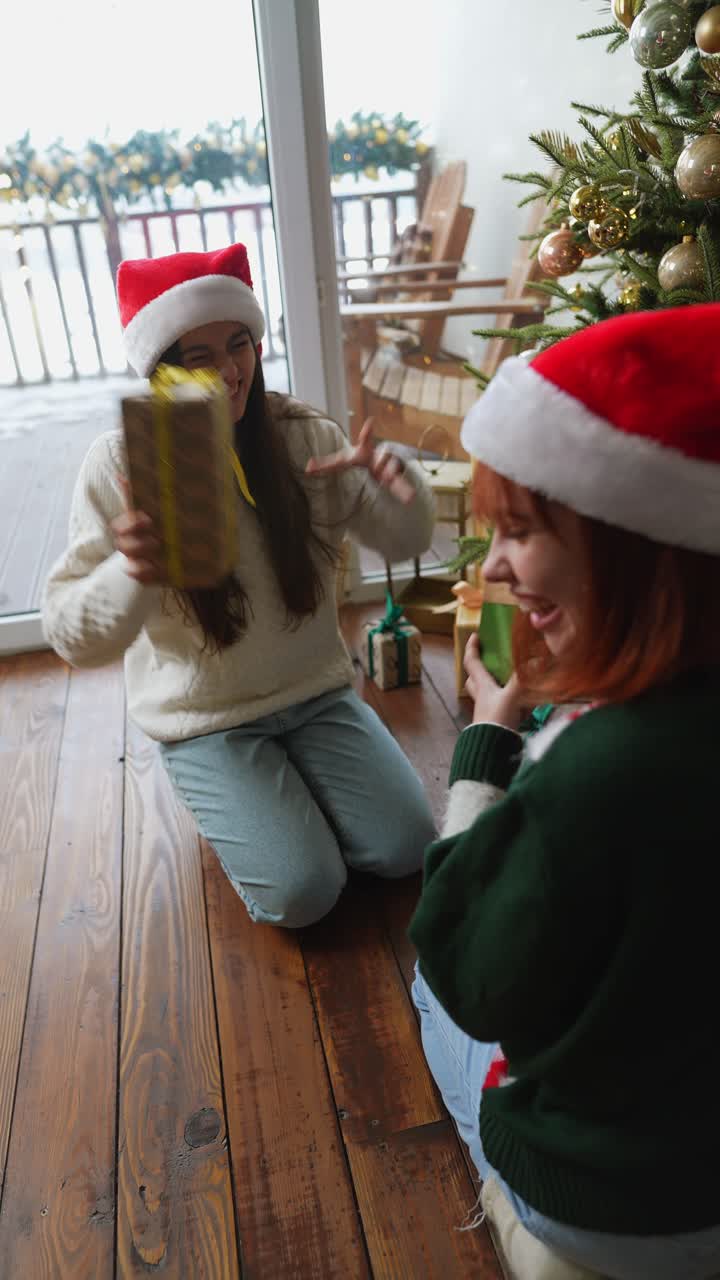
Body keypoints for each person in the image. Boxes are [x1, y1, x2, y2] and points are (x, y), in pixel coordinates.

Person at [408, 302, 720, 1280]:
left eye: (517, 532)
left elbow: (470, 965)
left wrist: (491, 740)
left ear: (632, 546)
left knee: (428, 981)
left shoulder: (595, 766)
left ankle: (522, 1228)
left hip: (618, 1209)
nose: (495, 567)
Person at [42, 243, 436, 928]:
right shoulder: (118, 467)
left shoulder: (303, 436)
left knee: (408, 848)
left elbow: (403, 540)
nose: (229, 372)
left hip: (315, 694)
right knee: (304, 891)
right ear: (160, 371)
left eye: (238, 345)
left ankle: (284, 805)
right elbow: (72, 634)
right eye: (198, 359)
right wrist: (130, 571)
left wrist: (399, 491)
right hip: (206, 724)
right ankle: (235, 799)